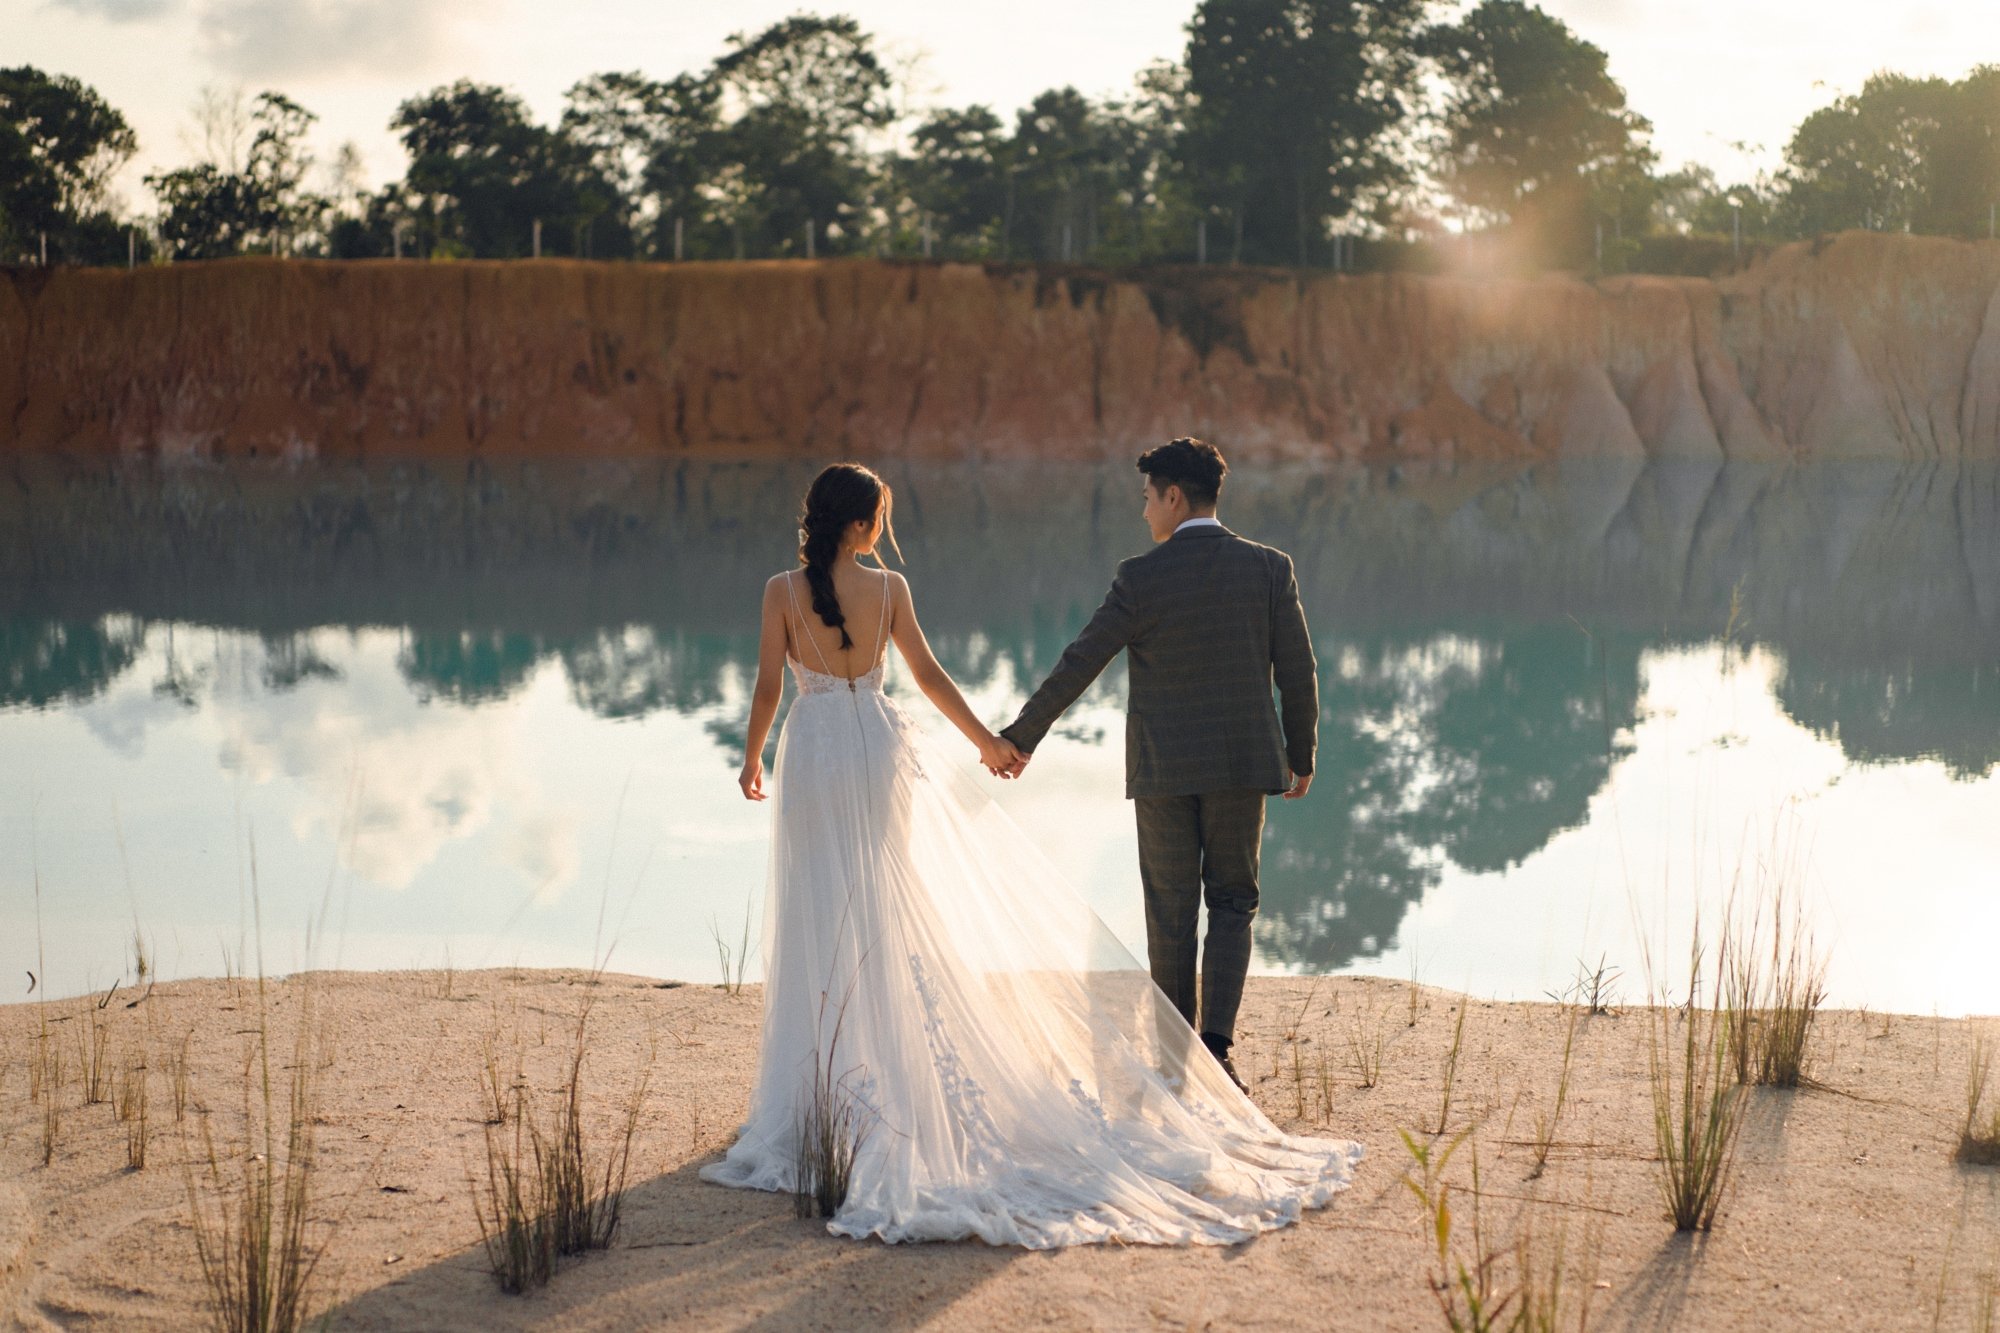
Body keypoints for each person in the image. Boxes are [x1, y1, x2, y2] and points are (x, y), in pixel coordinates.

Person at [702, 460, 1359, 1247]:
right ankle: (1199, 1051)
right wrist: (991, 742)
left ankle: (821, 1102)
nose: (882, 525)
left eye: (1149, 494)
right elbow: (932, 676)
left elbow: (771, 687)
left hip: (815, 753)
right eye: (880, 514)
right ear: (862, 523)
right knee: (887, 907)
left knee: (820, 907)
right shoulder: (892, 592)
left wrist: (754, 758)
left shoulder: (782, 589)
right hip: (883, 752)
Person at [998, 438, 1317, 1094]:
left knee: (1171, 908)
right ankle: (1217, 1049)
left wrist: (1021, 736)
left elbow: (1079, 661)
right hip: (1240, 764)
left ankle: (1175, 1061)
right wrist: (1302, 751)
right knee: (1233, 899)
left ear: (1175, 495)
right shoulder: (1268, 569)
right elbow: (1298, 669)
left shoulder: (1139, 579)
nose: (1145, 512)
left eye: (1148, 497)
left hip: (1164, 769)